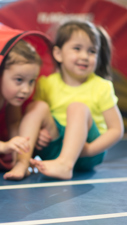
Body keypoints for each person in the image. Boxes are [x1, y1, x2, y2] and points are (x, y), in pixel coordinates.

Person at [26, 20, 124, 180]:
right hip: (56, 146)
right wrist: (39, 133)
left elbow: (116, 130)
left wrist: (90, 149)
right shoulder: (46, 83)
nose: (84, 56)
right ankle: (23, 162)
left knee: (77, 108)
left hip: (86, 151)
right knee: (37, 106)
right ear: (58, 54)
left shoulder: (101, 86)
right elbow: (38, 117)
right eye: (77, 49)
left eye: (92, 51)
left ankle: (65, 164)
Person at [0, 39, 43, 180]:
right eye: (19, 80)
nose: (26, 90)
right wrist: (3, 146)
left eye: (31, 81)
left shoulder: (11, 99)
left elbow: (14, 124)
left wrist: (17, 158)